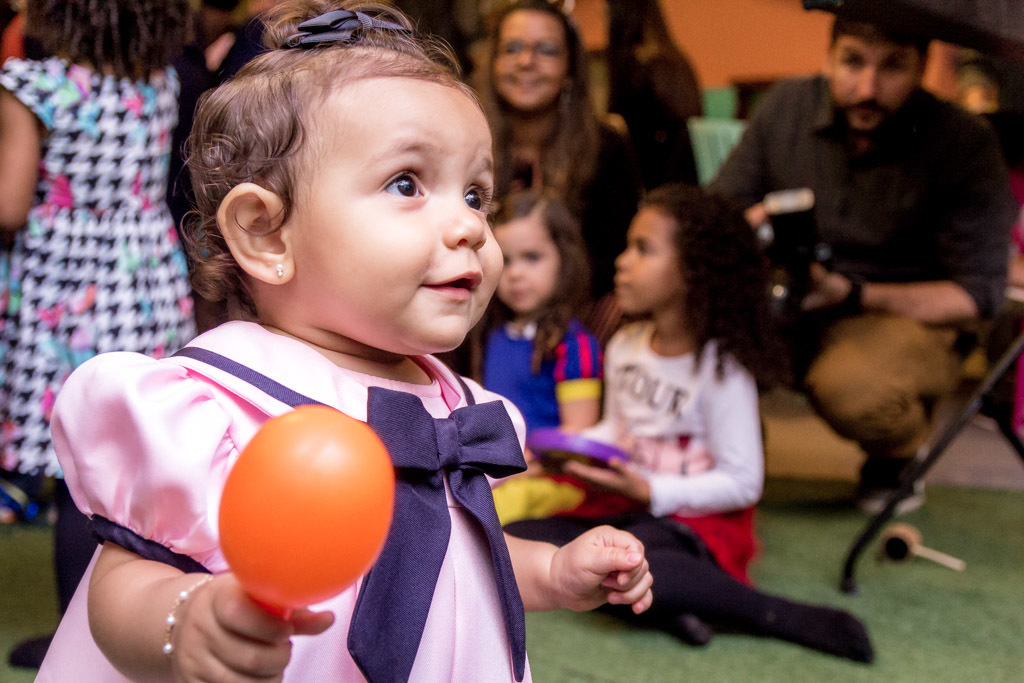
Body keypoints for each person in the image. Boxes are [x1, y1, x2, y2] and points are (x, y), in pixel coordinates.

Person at [36, 3, 654, 681]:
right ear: (267, 234)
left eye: (477, 195)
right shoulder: (217, 408)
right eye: (407, 183)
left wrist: (554, 570)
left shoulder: (454, 403)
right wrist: (184, 619)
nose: (470, 226)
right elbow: (119, 584)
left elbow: (459, 557)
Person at [506, 183, 873, 662]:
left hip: (694, 519)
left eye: (643, 249)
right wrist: (568, 448)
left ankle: (773, 614)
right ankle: (675, 608)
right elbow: (618, 431)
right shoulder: (625, 347)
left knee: (634, 560)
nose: (622, 261)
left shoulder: (721, 370)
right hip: (626, 503)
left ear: (691, 271)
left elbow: (743, 483)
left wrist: (653, 491)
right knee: (525, 538)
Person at [709, 17, 1018, 512]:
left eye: (893, 67)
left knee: (853, 389)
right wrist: (749, 228)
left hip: (903, 317)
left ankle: (898, 456)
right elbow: (716, 217)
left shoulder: (964, 141)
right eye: (852, 62)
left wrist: (852, 293)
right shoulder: (787, 107)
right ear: (829, 57)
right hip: (791, 297)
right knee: (695, 336)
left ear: (922, 67)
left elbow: (977, 296)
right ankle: (732, 460)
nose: (868, 88)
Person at [0, 0, 194, 669]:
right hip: (146, 280)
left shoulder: (33, 85)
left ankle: (77, 640)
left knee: (71, 465)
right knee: (127, 458)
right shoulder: (159, 82)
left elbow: (10, 202)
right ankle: (137, 623)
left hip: (65, 289)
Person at [479, 0, 643, 302]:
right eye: (512, 48)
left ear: (571, 68)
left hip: (581, 311)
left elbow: (614, 261)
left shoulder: (607, 148)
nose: (526, 61)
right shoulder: (468, 143)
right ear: (493, 64)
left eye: (546, 50)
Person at [475, 191, 603, 524]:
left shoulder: (574, 344)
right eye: (506, 260)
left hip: (555, 480)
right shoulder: (494, 335)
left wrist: (527, 462)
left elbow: (579, 434)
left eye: (532, 258)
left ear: (565, 259)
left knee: (482, 517)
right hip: (501, 470)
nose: (515, 273)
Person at [605, 0, 703, 189]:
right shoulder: (676, 59)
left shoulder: (633, 66)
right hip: (686, 183)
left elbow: (622, 134)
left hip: (652, 185)